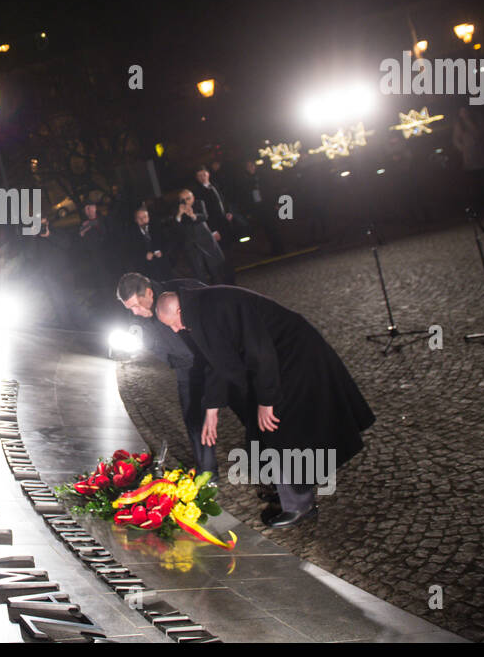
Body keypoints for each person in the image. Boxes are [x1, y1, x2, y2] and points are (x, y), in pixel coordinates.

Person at [155, 286, 375, 528]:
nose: (176, 330)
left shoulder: (207, 310)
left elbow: (260, 351)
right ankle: (284, 490)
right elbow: (217, 362)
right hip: (276, 358)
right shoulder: (197, 311)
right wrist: (212, 409)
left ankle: (299, 505)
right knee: (259, 429)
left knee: (276, 428)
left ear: (178, 309)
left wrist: (267, 400)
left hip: (294, 354)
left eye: (173, 323)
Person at [116, 272, 232, 485]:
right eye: (129, 308)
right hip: (185, 369)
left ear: (149, 292)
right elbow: (145, 340)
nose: (135, 312)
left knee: (247, 409)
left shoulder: (184, 290)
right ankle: (206, 472)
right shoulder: (136, 315)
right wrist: (169, 358)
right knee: (194, 420)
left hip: (214, 360)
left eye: (137, 306)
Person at [173, 188, 234, 284]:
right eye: (183, 199)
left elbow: (204, 216)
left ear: (193, 197)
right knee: (198, 271)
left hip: (205, 240)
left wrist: (193, 215)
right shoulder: (178, 208)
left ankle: (223, 287)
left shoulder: (199, 203)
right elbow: (175, 226)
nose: (186, 201)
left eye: (188, 198)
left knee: (215, 268)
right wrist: (179, 214)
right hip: (191, 244)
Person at [126, 205, 171, 281]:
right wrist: (144, 255)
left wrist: (161, 251)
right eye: (139, 218)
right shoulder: (131, 234)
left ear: (148, 217)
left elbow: (167, 243)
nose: (142, 220)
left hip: (162, 263)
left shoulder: (157, 227)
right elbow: (132, 252)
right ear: (136, 220)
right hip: (146, 268)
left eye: (144, 217)